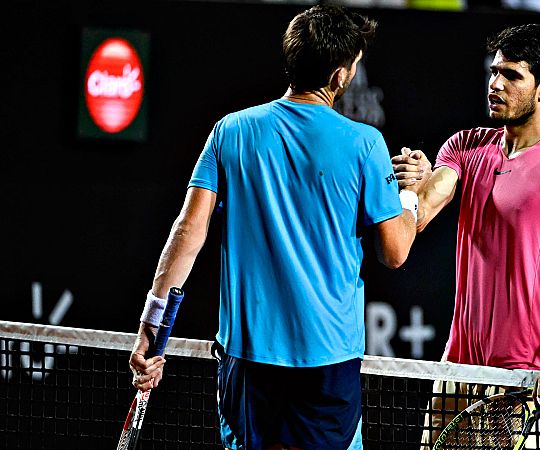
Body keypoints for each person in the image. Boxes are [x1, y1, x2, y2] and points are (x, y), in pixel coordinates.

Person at [128, 5, 421, 450]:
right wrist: (410, 195)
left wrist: (152, 333)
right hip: (327, 362)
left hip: (248, 362)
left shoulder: (231, 131)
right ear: (341, 77)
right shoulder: (366, 144)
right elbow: (395, 251)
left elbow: (187, 233)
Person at [392, 23, 540, 448]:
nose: (495, 84)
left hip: (524, 383)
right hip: (457, 372)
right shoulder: (465, 147)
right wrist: (410, 191)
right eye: (494, 71)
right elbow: (418, 218)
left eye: (512, 75)